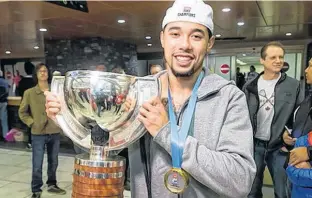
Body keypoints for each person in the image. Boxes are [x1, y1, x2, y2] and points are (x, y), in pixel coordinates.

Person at [45, 0, 256, 197]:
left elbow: (240, 180)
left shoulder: (229, 98)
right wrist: (71, 120)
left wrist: (167, 133)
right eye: (175, 34)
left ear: (209, 43)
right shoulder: (140, 90)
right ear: (162, 38)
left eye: (196, 36)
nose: (185, 45)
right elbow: (105, 149)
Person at [244, 41, 302, 198]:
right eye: (273, 57)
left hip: (279, 148)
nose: (278, 61)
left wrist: (288, 132)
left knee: (282, 192)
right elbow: (242, 115)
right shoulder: (250, 86)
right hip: (254, 146)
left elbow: (300, 115)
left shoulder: (294, 86)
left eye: (281, 57)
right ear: (262, 60)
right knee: (251, 191)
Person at [19, 63, 66, 198]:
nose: (43, 73)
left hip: (54, 131)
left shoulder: (55, 91)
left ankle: (52, 184)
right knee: (37, 163)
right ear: (36, 74)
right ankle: (36, 189)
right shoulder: (29, 93)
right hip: (38, 133)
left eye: (45, 71)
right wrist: (31, 123)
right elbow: (22, 112)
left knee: (54, 161)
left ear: (48, 74)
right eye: (40, 71)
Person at [284, 58, 312, 198]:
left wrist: (309, 152)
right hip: (297, 176)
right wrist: (286, 135)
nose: (306, 70)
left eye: (311, 66)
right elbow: (296, 122)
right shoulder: (308, 99)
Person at [19, 61, 36, 149]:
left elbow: (18, 93)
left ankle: (30, 142)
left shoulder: (22, 81)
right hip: (35, 105)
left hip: (25, 105)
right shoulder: (35, 81)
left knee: (29, 124)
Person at [0, 70, 9, 141]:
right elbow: (7, 91)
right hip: (3, 102)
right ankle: (5, 136)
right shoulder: (5, 81)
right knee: (4, 120)